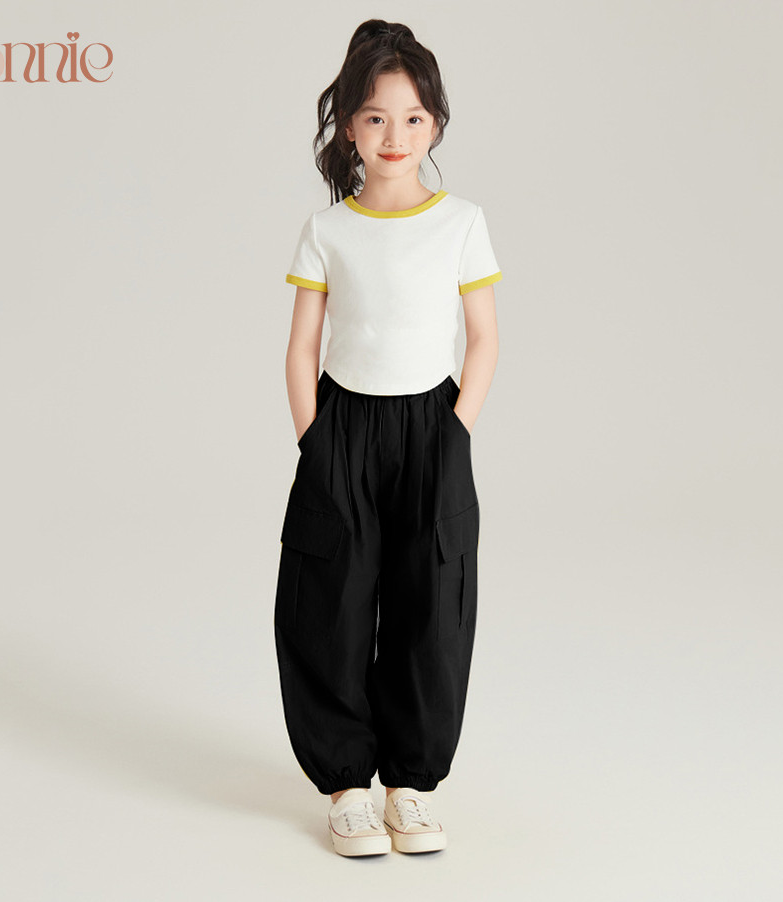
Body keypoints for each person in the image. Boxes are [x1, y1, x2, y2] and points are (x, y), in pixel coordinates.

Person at [274, 19, 501, 857]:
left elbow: (485, 337)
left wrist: (455, 431)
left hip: (432, 425)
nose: (394, 135)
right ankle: (346, 787)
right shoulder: (328, 229)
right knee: (330, 600)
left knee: (430, 603)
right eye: (375, 117)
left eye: (412, 118)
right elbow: (302, 346)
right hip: (343, 424)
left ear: (435, 124)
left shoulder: (462, 222)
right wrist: (315, 442)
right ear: (348, 128)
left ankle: (410, 784)